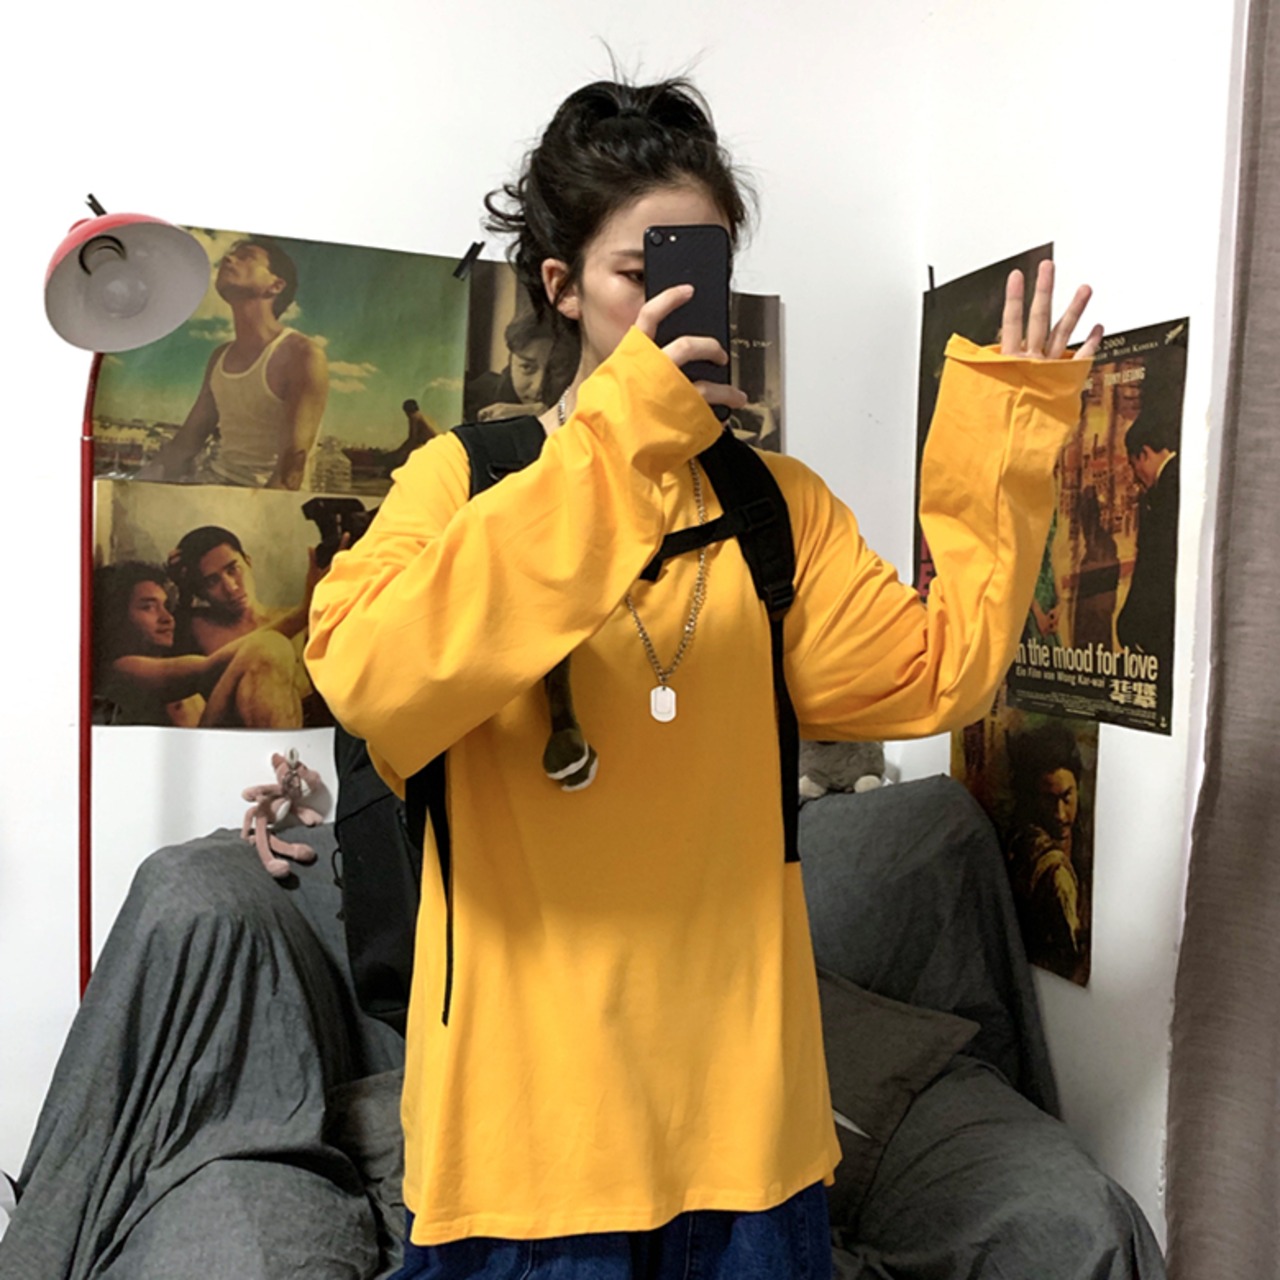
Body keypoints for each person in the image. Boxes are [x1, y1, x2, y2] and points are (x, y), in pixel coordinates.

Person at [304, 77, 1102, 1278]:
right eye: (642, 273)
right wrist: (617, 446)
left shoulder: (774, 507)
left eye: (701, 271)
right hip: (525, 1142)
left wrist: (1004, 433)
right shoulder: (464, 482)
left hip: (743, 1138)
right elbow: (373, 678)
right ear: (561, 285)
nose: (675, 306)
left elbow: (936, 675)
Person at [139, 237, 330, 489]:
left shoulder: (303, 355)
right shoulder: (220, 356)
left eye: (246, 257)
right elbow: (187, 442)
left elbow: (289, 474)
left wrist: (248, 512)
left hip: (265, 500)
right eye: (230, 255)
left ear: (275, 285)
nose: (228, 259)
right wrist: (136, 486)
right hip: (214, 485)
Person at [92, 559, 306, 728]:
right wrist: (302, 614)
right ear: (118, 616)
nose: (167, 618)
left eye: (166, 606)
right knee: (268, 647)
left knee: (273, 652)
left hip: (210, 750)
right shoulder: (121, 669)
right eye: (148, 607)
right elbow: (209, 667)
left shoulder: (169, 659)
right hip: (191, 761)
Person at [1005, 722, 1092, 985]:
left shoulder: (1083, 838)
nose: (1060, 814)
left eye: (1067, 797)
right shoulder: (1051, 870)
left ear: (1078, 788)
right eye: (1048, 799)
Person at [1116, 404, 1180, 665]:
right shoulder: (1184, 476)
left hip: (1161, 626)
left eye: (1134, 466)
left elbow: (1154, 568)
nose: (1136, 477)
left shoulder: (1165, 492)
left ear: (1144, 453)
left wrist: (1130, 622)